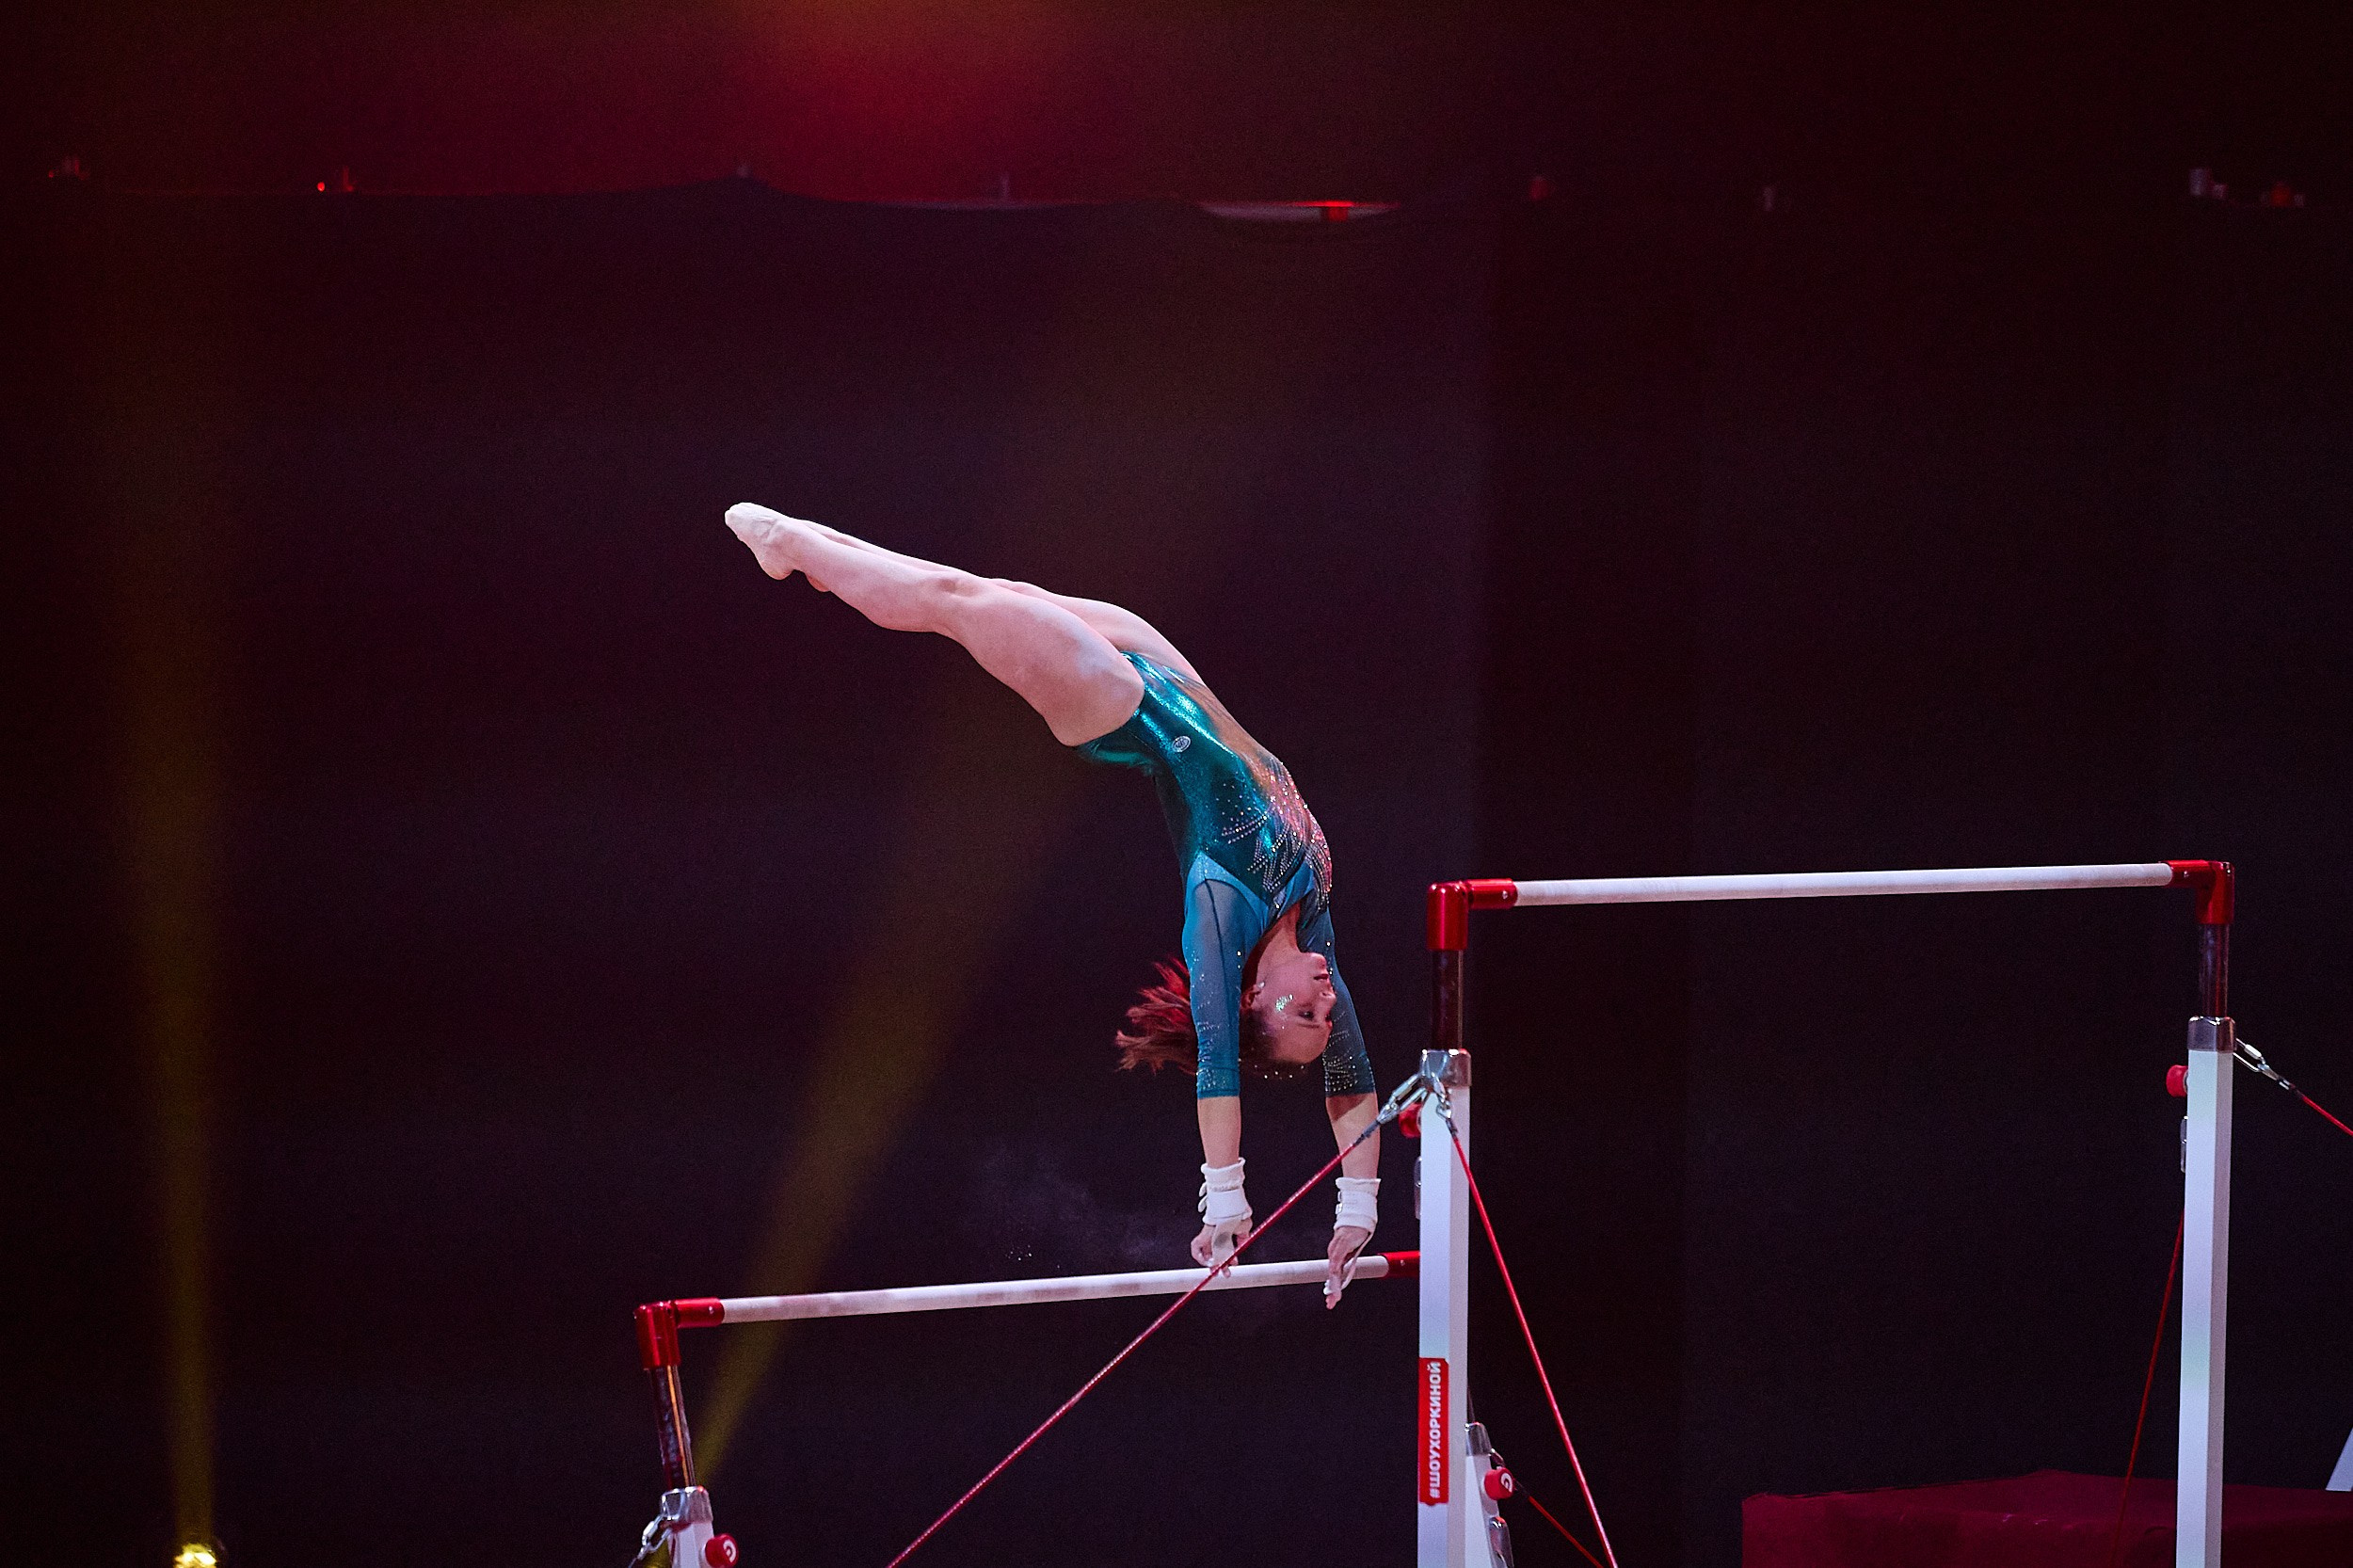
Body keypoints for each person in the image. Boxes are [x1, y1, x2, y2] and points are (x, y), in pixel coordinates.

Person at [724, 504, 1381, 1305]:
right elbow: (1349, 1080)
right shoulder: (1309, 922)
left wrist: (1227, 1197)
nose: (1327, 1000)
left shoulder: (1222, 913)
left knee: (954, 603)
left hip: (1123, 708)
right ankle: (807, 550)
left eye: (1306, 1015)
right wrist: (1359, 1209)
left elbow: (1217, 1063)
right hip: (1173, 675)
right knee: (984, 589)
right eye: (1324, 1011)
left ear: (1258, 1001)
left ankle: (792, 545)